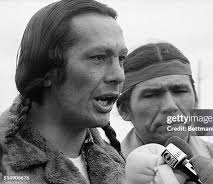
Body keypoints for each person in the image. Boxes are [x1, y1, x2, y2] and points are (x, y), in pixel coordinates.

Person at [0, 0, 128, 183]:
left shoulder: (122, 169)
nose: (119, 75)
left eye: (121, 59)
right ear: (46, 70)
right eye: (98, 58)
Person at [116, 42, 213, 171]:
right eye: (152, 94)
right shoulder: (104, 170)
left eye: (180, 91)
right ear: (124, 110)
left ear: (196, 100)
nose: (170, 106)